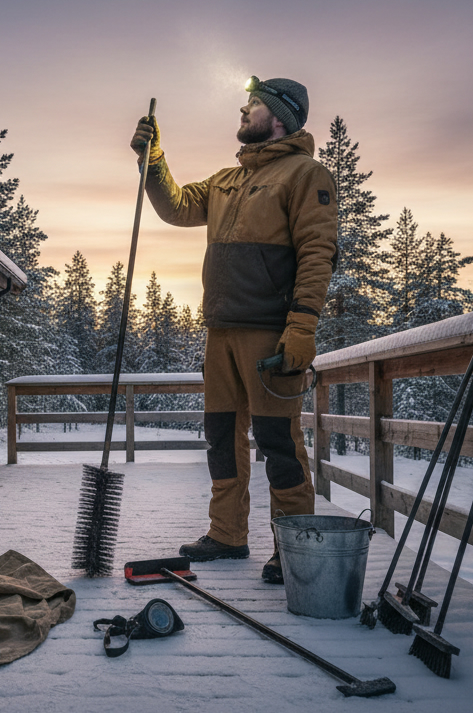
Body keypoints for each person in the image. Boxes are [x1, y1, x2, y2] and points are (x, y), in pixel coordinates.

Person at [130, 76, 339, 584]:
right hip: (220, 330)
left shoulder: (306, 175)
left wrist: (302, 326)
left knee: (278, 441)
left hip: (270, 334)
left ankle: (293, 548)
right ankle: (227, 533)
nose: (244, 112)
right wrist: (153, 161)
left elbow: (317, 254)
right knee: (222, 437)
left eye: (253, 105)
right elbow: (177, 206)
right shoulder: (227, 180)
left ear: (280, 118)